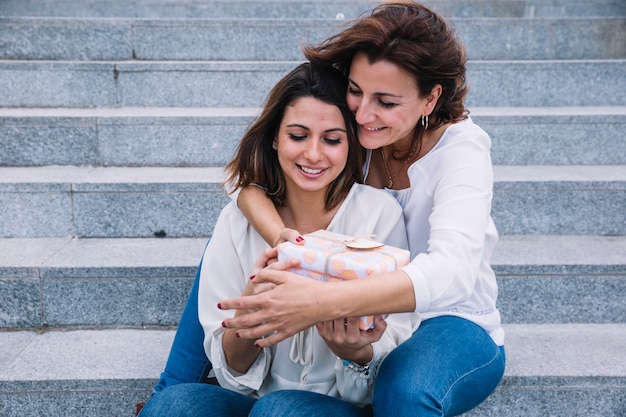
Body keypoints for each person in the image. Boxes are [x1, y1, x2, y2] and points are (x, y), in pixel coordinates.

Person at [218, 2, 506, 416]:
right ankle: (170, 389)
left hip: (448, 319)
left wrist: (321, 302)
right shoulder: (357, 125)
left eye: (386, 102)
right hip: (363, 314)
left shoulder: (462, 150)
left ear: (431, 98)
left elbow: (452, 274)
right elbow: (246, 181)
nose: (364, 114)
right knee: (231, 245)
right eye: (355, 91)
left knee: (405, 391)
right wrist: (281, 239)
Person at [138, 62, 413, 417]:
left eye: (332, 139)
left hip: (338, 407)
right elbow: (232, 372)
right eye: (297, 136)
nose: (313, 154)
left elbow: (392, 351)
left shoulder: (380, 215)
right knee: (174, 405)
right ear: (274, 137)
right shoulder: (237, 221)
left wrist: (355, 352)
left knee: (281, 411)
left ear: (351, 144)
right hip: (250, 401)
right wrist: (251, 315)